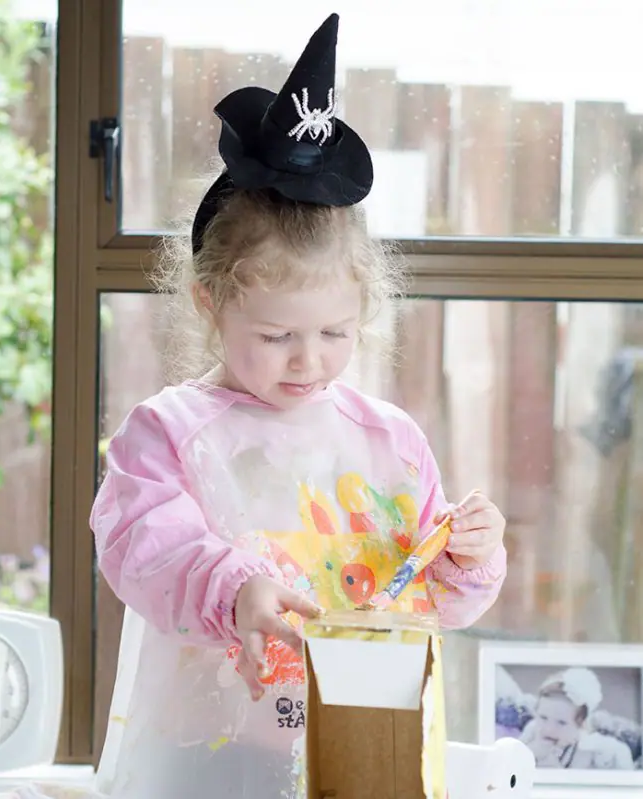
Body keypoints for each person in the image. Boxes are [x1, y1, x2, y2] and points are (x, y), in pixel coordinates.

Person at [88, 13, 507, 799]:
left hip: (362, 753)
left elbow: (432, 601)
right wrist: (234, 588)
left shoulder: (388, 440)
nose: (308, 360)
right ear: (210, 302)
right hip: (202, 762)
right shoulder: (167, 434)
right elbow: (142, 550)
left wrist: (466, 556)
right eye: (277, 335)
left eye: (334, 333)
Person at [521, 667, 634, 770]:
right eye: (543, 717)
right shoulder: (532, 731)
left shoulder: (601, 754)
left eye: (561, 723)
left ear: (580, 725)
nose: (549, 729)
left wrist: (553, 767)